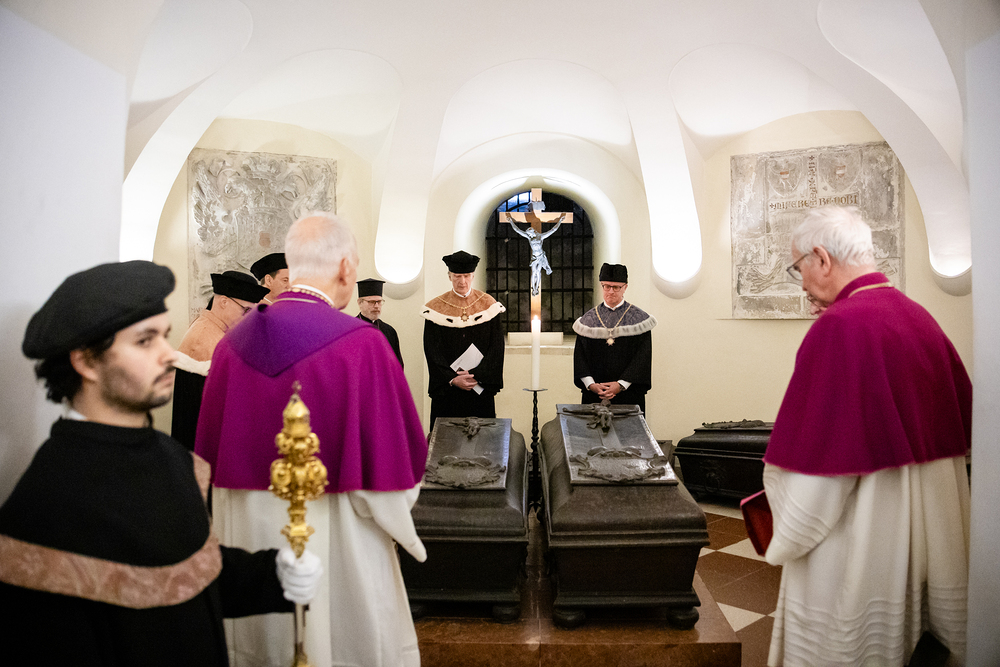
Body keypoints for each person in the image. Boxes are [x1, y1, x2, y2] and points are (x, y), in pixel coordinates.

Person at [0, 261, 321, 667]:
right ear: (86, 362)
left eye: (164, 337)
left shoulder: (172, 457)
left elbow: (186, 578)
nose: (169, 354)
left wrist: (270, 575)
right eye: (144, 341)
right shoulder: (46, 506)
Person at [195, 213, 429, 667]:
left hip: (250, 551)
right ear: (345, 267)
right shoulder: (362, 345)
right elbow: (393, 479)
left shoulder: (230, 346)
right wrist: (404, 529)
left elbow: (207, 467)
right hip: (340, 544)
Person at [763, 206, 972, 666]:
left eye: (798, 268)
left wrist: (783, 529)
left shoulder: (839, 328)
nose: (801, 284)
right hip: (930, 541)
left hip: (862, 545)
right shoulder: (920, 319)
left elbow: (814, 485)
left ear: (822, 258)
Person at [171, 271, 269, 450]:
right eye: (246, 310)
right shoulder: (206, 336)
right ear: (224, 302)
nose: (248, 317)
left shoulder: (213, 328)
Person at [421, 250, 506, 429]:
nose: (462, 281)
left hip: (479, 389)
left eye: (466, 276)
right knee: (445, 440)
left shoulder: (489, 305)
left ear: (473, 276)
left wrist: (478, 376)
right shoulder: (435, 309)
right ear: (449, 276)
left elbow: (496, 348)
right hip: (448, 392)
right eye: (457, 276)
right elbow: (432, 350)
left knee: (482, 439)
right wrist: (452, 379)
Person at [572, 263, 656, 413]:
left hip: (629, 395)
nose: (611, 291)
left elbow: (642, 358)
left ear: (625, 287)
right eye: (607, 286)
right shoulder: (588, 320)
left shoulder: (639, 320)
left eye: (616, 287)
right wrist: (591, 385)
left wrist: (621, 385)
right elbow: (580, 357)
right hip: (595, 395)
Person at [356, 278, 403, 367]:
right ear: (360, 303)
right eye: (371, 302)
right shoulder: (350, 330)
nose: (376, 306)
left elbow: (397, 365)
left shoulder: (389, 331)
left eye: (379, 302)